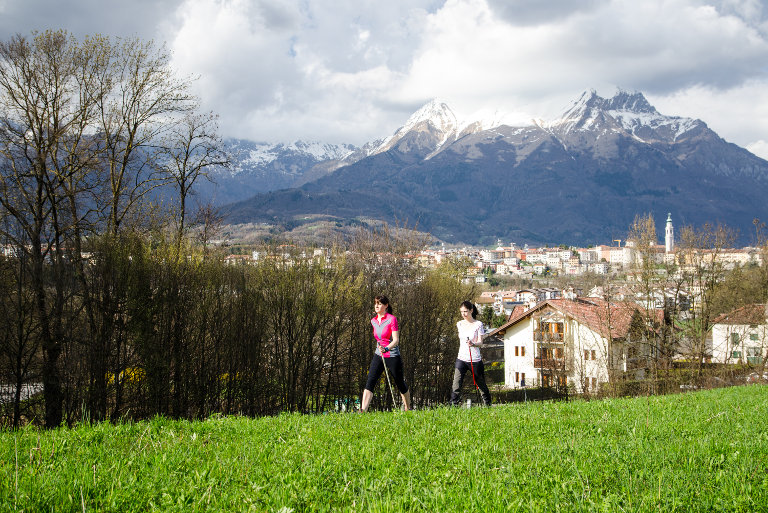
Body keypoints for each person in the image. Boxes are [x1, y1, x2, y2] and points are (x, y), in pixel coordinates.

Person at [361, 295, 412, 411]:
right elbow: (378, 338)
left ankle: (408, 408)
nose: (377, 306)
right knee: (370, 381)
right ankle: (362, 411)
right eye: (375, 303)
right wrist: (381, 349)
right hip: (378, 354)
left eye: (379, 303)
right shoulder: (373, 321)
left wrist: (387, 348)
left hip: (392, 355)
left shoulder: (391, 319)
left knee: (400, 382)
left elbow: (396, 340)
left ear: (386, 306)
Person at [451, 300, 492, 406]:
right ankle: (453, 405)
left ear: (471, 310)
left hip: (474, 359)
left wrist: (473, 343)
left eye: (465, 311)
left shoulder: (478, 324)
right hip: (461, 358)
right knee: (456, 383)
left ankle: (487, 404)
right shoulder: (459, 324)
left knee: (481, 384)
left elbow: (480, 342)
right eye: (461, 312)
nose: (463, 314)